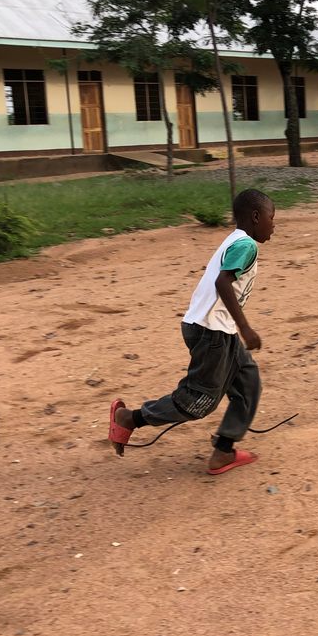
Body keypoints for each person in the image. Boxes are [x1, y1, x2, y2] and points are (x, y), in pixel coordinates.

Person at [108, 188, 275, 474]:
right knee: (199, 401)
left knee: (248, 380)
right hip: (211, 332)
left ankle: (224, 450)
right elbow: (222, 283)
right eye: (272, 218)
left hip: (214, 328)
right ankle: (129, 418)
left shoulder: (235, 239)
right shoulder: (247, 245)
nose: (274, 225)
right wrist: (246, 328)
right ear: (256, 216)